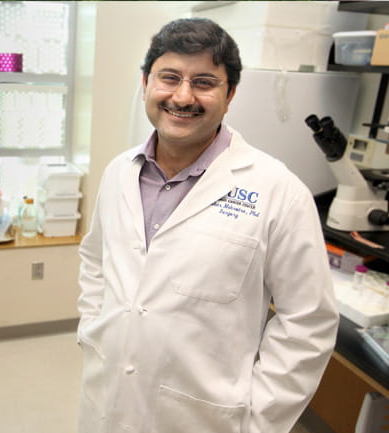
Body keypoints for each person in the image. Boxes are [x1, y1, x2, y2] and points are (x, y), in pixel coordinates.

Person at [76, 17, 339, 433]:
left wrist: (260, 420)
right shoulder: (117, 173)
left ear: (229, 94)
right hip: (106, 397)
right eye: (169, 78)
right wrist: (94, 329)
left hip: (206, 417)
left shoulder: (279, 191)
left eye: (204, 82)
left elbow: (307, 322)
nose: (183, 96)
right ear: (145, 83)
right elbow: (95, 260)